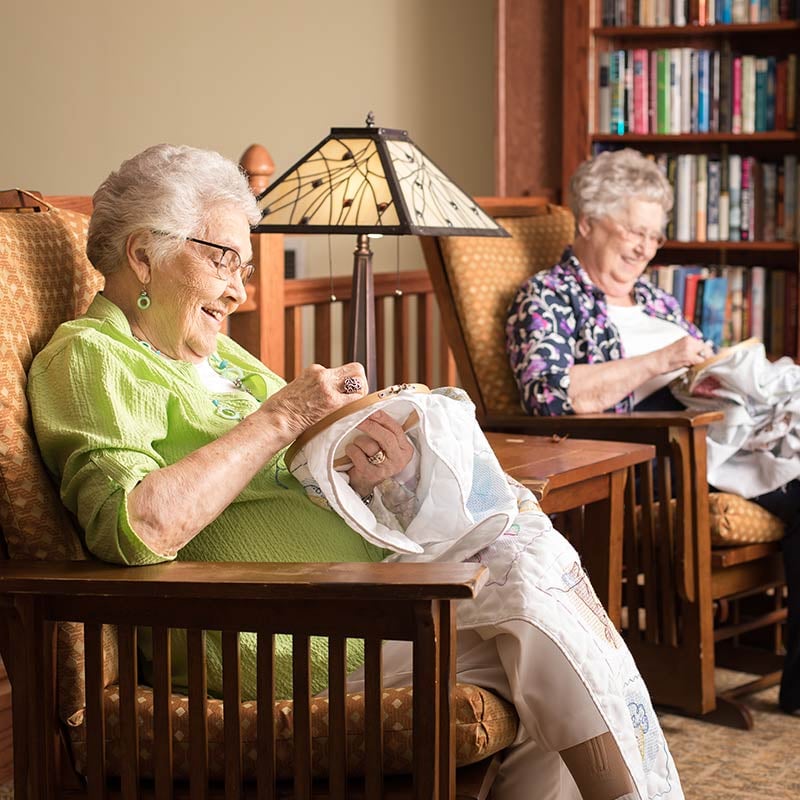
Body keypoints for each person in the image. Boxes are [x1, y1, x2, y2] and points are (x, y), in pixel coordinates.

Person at [27, 144, 684, 800]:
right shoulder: (92, 358)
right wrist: (282, 419)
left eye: (246, 267)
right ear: (144, 254)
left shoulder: (219, 355)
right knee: (544, 630)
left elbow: (280, 471)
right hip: (265, 629)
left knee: (540, 607)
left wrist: (366, 463)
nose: (240, 289)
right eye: (223, 258)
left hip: (354, 596)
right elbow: (135, 525)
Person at [505, 147, 800, 715]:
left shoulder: (657, 299)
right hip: (652, 458)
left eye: (654, 237)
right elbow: (548, 395)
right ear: (588, 221)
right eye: (634, 231)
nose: (644, 247)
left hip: (720, 437)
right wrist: (661, 359)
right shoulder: (546, 296)